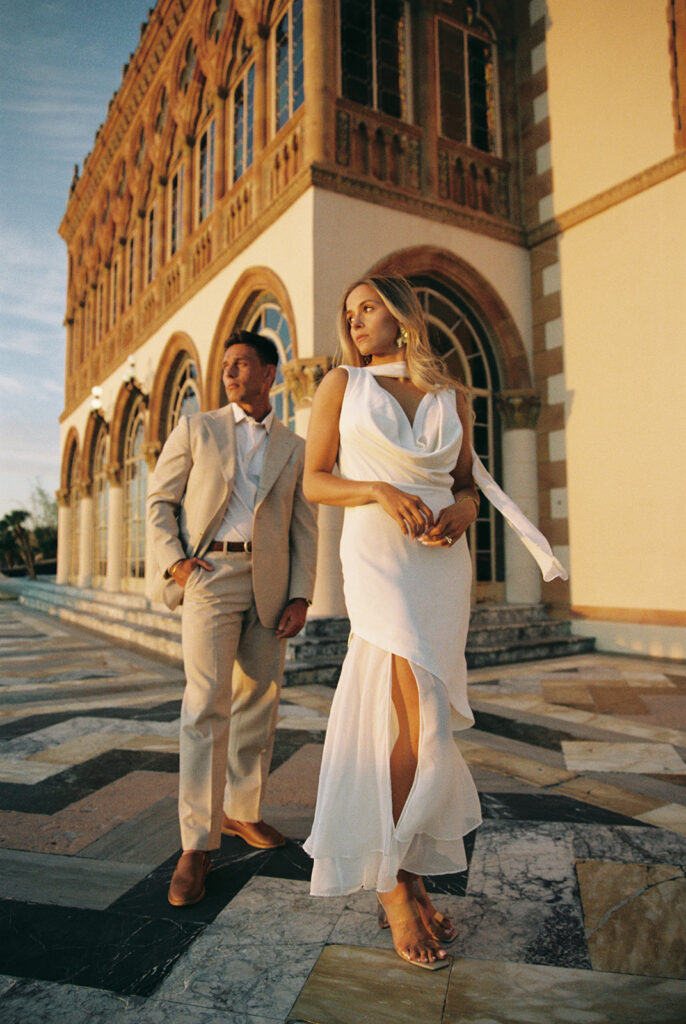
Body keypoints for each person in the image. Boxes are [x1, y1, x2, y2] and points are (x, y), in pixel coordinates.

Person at [302, 276, 567, 969]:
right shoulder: (341, 385)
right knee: (414, 720)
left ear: (401, 314)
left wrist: (468, 510)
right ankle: (391, 886)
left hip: (441, 562)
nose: (355, 320)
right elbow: (314, 479)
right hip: (379, 555)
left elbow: (466, 483)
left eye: (368, 307)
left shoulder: (452, 395)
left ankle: (410, 874)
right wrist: (378, 489)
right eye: (349, 312)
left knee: (427, 726)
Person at [147, 329, 318, 907]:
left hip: (269, 584)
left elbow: (304, 526)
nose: (229, 372)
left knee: (258, 703)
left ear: (270, 374)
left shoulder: (294, 446)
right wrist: (175, 563)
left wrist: (301, 595)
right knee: (205, 705)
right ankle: (196, 843)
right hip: (209, 575)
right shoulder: (197, 429)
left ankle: (242, 811)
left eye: (242, 363)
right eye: (226, 364)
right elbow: (159, 501)